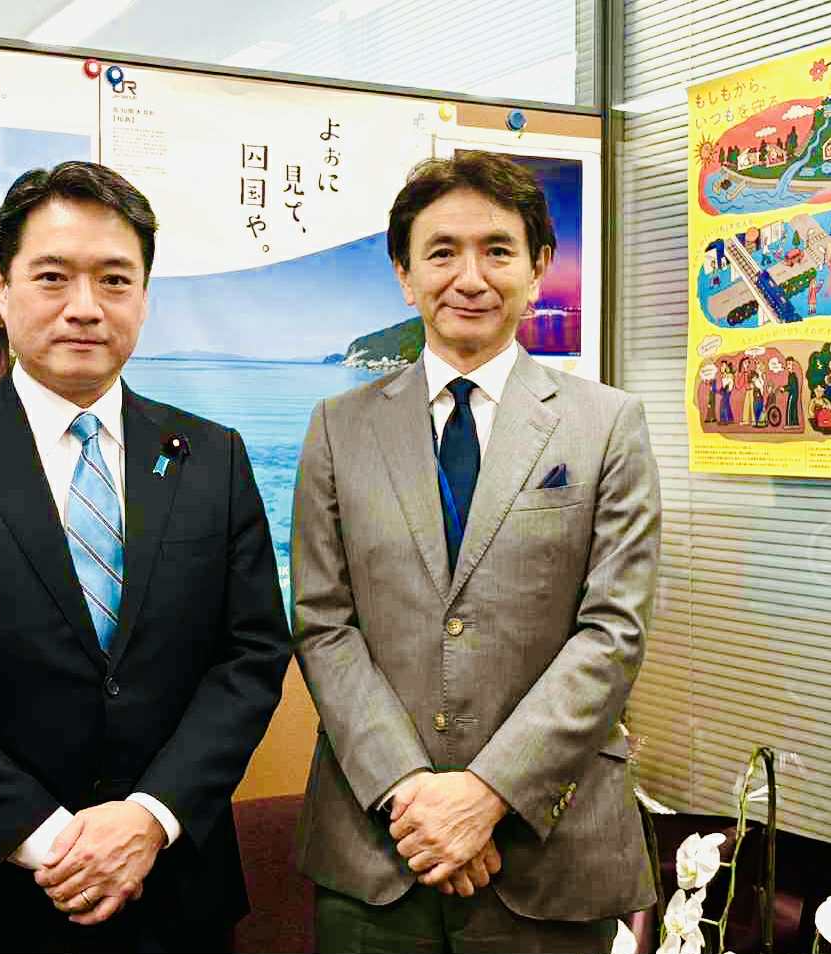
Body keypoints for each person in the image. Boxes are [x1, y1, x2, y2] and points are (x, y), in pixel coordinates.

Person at [0, 161, 291, 954]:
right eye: (52, 277)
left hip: (169, 895)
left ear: (143, 296)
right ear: (2, 288)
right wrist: (49, 840)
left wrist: (151, 816)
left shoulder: (211, 457)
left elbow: (250, 657)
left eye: (115, 280)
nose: (85, 306)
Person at [291, 151, 660, 954]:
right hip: (379, 846)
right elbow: (323, 624)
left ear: (537, 268)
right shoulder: (338, 428)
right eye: (442, 252)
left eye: (497, 250)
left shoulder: (608, 425)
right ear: (404, 274)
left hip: (551, 850)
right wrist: (410, 792)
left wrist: (487, 794)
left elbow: (613, 632)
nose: (470, 277)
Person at [783, 356, 801, 427]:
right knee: (794, 409)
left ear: (793, 365)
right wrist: (784, 387)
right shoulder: (791, 375)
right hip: (794, 394)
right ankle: (795, 423)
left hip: (793, 395)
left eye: (790, 364)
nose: (788, 366)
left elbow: (792, 387)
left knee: (790, 409)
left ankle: (789, 424)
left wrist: (784, 389)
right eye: (787, 364)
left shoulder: (792, 375)